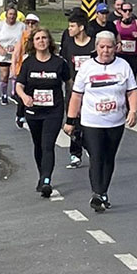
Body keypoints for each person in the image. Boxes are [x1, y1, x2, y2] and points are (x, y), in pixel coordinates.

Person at [64, 31, 137, 212]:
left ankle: (103, 191)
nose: (105, 51)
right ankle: (97, 193)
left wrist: (133, 111)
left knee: (108, 157)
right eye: (102, 47)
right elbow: (76, 95)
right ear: (96, 47)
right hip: (92, 122)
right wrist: (70, 120)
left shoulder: (123, 66)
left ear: (115, 48)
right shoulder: (87, 67)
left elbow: (132, 90)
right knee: (96, 157)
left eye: (109, 47)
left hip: (115, 121)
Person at [16, 28, 70, 199]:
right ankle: (41, 175)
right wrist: (24, 97)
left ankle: (47, 180)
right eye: (38, 38)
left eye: (44, 38)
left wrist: (72, 105)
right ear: (33, 42)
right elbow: (19, 85)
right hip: (34, 111)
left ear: (49, 41)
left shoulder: (59, 63)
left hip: (54, 110)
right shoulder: (28, 63)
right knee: (38, 145)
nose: (41, 41)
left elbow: (69, 84)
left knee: (48, 144)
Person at [59, 12, 95, 169]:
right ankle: (75, 153)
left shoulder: (94, 44)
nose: (69, 29)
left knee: (88, 123)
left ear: (81, 27)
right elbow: (64, 65)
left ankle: (90, 146)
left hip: (92, 90)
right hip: (73, 90)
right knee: (72, 122)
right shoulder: (68, 45)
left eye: (72, 26)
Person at [0, 6, 24, 105]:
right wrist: (0, 49)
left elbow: (25, 38)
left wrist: (19, 48)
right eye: (10, 14)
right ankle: (4, 94)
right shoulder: (0, 25)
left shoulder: (21, 26)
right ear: (6, 15)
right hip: (4, 55)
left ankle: (14, 93)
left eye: (14, 15)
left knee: (15, 74)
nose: (12, 16)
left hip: (16, 54)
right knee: (5, 76)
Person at [11, 13, 41, 127]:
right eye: (27, 23)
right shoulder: (22, 36)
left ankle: (33, 113)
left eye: (33, 23)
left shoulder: (41, 36)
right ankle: (20, 114)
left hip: (37, 67)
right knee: (22, 92)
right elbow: (16, 53)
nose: (30, 25)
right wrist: (13, 68)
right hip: (23, 68)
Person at [116, 0, 137, 77]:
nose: (127, 12)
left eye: (130, 10)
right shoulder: (116, 24)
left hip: (132, 56)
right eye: (125, 10)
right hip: (120, 55)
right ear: (121, 11)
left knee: (132, 78)